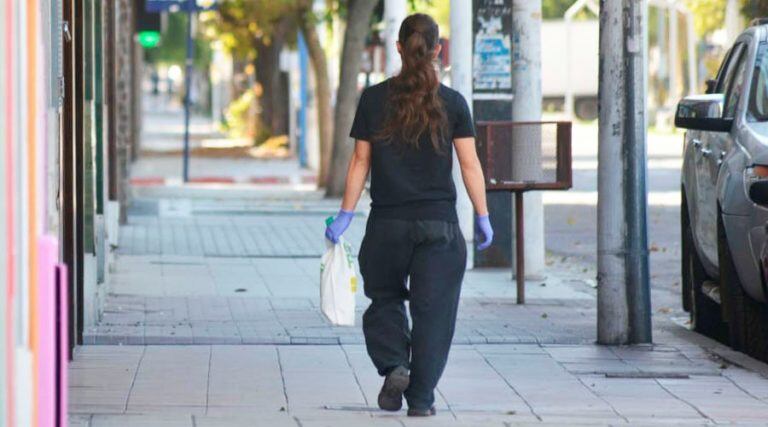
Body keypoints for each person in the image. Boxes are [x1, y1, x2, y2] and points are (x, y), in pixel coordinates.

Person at [324, 13, 493, 417]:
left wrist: (345, 215)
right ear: (437, 50)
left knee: (383, 298)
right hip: (439, 227)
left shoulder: (373, 98)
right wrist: (484, 216)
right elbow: (469, 165)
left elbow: (359, 162)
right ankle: (420, 400)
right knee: (433, 313)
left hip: (386, 226)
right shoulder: (452, 103)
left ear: (398, 48)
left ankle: (395, 363)